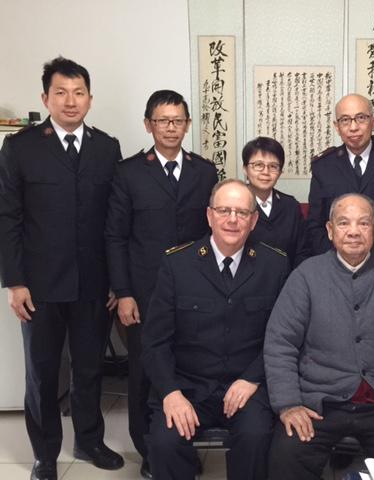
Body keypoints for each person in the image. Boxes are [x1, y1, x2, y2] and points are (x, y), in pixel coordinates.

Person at [0, 57, 124, 480]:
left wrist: (116, 280)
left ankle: (88, 440)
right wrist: (15, 282)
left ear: (90, 98)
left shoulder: (107, 147)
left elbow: (114, 220)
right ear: (45, 98)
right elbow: (8, 217)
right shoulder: (20, 147)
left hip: (93, 284)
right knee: (43, 373)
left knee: (90, 368)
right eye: (61, 92)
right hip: (40, 285)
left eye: (79, 93)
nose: (70, 101)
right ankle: (45, 454)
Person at [265, 193, 374, 480]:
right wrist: (289, 404)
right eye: (344, 223)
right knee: (287, 453)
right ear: (330, 230)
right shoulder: (306, 275)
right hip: (320, 403)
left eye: (363, 223)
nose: (354, 231)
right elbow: (280, 343)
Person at [142, 179, 289, 480]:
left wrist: (252, 379)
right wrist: (170, 392)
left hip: (246, 385)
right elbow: (155, 341)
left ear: (254, 220)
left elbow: (282, 339)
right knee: (164, 442)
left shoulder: (273, 265)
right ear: (209, 216)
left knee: (257, 437)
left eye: (242, 212)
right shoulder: (177, 264)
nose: (232, 220)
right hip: (187, 385)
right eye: (224, 210)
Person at [105, 89, 218, 478]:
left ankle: (182, 446)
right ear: (148, 125)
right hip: (145, 294)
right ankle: (150, 453)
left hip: (196, 294)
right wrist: (123, 293)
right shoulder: (129, 171)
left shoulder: (205, 171)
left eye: (178, 120)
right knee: (143, 373)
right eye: (162, 120)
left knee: (188, 367)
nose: (171, 127)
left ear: (187, 125)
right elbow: (115, 237)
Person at [307, 94, 374, 254]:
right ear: (337, 126)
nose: (353, 127)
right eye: (345, 120)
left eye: (361, 118)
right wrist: (336, 261)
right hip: (335, 264)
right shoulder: (323, 166)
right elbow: (315, 225)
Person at [242, 136, 309, 268]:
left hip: (287, 282)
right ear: (245, 169)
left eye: (273, 166)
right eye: (258, 165)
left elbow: (302, 251)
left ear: (280, 172)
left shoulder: (290, 206)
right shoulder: (234, 205)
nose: (266, 172)